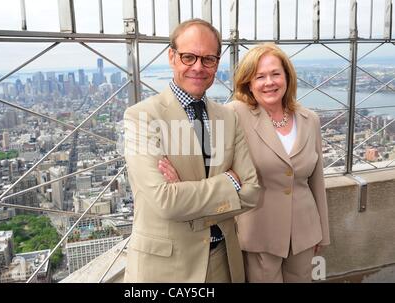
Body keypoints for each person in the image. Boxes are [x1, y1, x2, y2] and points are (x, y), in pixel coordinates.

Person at [123, 19, 260, 282]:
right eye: (188, 57)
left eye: (208, 59)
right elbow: (166, 201)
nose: (198, 67)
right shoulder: (142, 116)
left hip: (224, 263)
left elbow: (252, 191)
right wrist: (230, 182)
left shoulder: (228, 117)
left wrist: (185, 193)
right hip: (166, 270)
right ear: (172, 56)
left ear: (217, 64)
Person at [227, 43, 330, 282]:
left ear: (287, 77)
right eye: (259, 76)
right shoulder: (234, 113)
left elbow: (317, 181)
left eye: (275, 74)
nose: (269, 82)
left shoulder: (309, 119)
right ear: (248, 83)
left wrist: (322, 234)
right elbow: (205, 144)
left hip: (304, 232)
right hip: (259, 232)